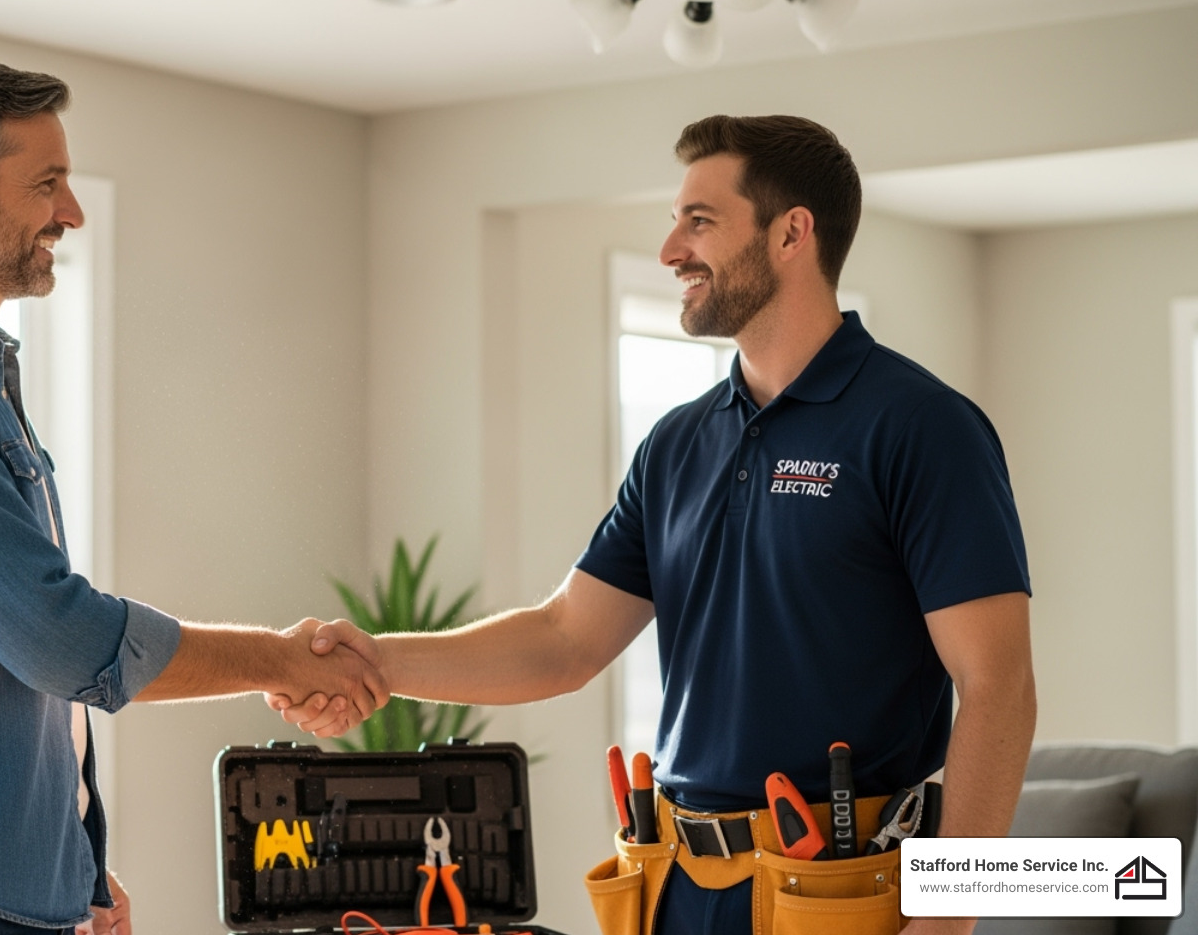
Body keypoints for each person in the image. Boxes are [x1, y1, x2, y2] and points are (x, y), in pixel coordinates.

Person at [276, 115, 1036, 935]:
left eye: (699, 221)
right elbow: (565, 639)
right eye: (675, 222)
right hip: (675, 885)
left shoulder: (920, 427)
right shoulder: (678, 443)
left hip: (841, 889)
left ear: (792, 233)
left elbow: (999, 688)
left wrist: (948, 918)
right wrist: (377, 662)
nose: (671, 249)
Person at [0, 59, 385, 935]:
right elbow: (58, 639)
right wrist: (279, 658)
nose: (70, 212)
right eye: (46, 184)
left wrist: (75, 867)